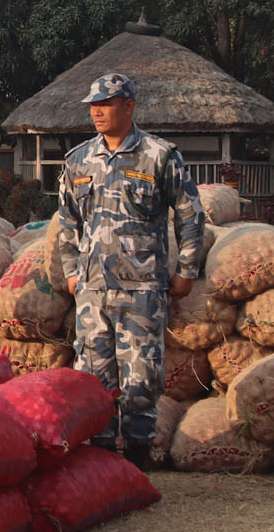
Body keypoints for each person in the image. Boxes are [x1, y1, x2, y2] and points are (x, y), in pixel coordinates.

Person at [53, 73, 205, 470]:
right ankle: (101, 458)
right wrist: (71, 271)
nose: (97, 111)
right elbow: (67, 223)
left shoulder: (159, 155)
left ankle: (138, 457)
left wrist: (187, 268)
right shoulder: (78, 160)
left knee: (141, 377)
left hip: (142, 287)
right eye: (93, 104)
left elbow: (189, 214)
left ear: (129, 106)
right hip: (92, 289)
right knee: (93, 376)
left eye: (106, 103)